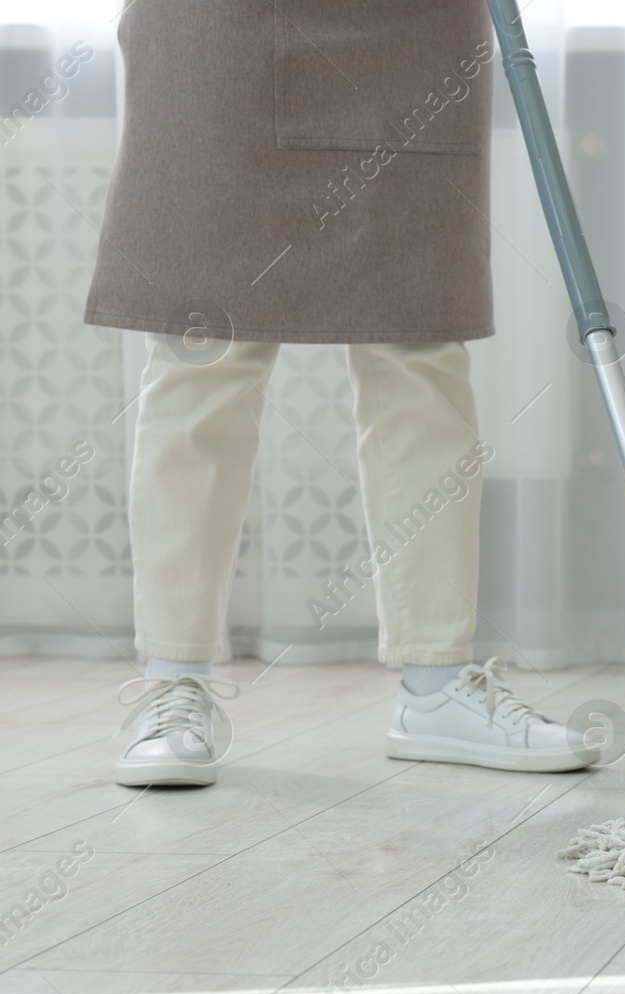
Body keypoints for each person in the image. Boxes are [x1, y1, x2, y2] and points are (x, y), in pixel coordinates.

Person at [83, 1, 595, 786]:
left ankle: (436, 684)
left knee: (419, 340)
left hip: (408, 28)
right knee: (203, 349)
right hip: (222, 28)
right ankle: (172, 683)